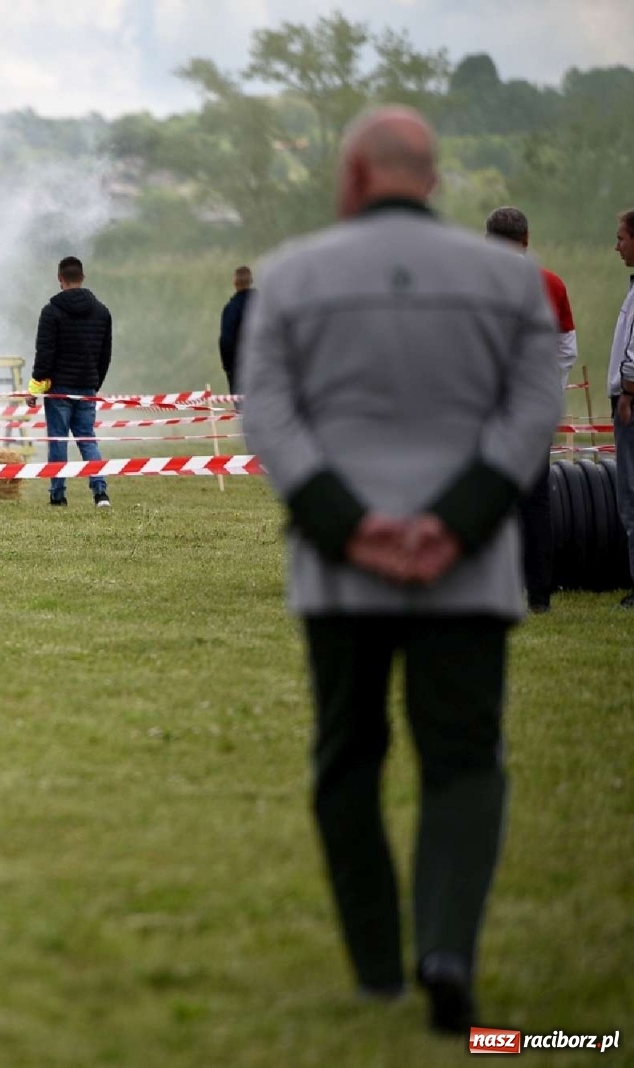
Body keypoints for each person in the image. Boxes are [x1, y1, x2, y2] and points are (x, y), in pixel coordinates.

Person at [241, 107, 562, 1036]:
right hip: (467, 566)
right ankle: (448, 950)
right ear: (434, 180)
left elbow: (270, 416)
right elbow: (534, 409)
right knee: (464, 761)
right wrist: (453, 524)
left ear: (351, 178)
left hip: (340, 568)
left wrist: (353, 527)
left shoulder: (292, 275)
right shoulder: (513, 281)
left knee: (347, 757)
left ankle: (379, 966)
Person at [483, 206, 577, 612]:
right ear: (526, 240)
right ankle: (539, 595)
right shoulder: (551, 284)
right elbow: (566, 348)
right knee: (535, 501)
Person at [28, 255, 113, 507]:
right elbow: (105, 354)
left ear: (60, 279)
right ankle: (100, 492)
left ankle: (58, 495)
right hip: (86, 387)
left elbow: (44, 354)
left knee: (58, 441)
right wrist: (94, 382)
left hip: (59, 389)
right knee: (87, 439)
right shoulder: (102, 312)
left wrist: (35, 386)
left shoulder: (51, 311)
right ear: (82, 277)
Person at [609, 209, 634, 610]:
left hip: (632, 400)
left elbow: (633, 351)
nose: (617, 247)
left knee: (630, 495)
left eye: (622, 238)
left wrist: (627, 394)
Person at [218, 266, 255, 394]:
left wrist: (228, 367)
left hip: (240, 369)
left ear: (234, 282)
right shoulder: (264, 304)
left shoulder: (231, 309)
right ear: (251, 280)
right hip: (266, 367)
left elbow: (226, 341)